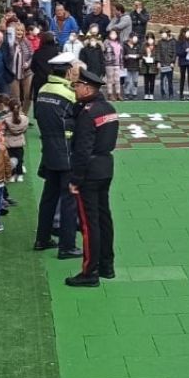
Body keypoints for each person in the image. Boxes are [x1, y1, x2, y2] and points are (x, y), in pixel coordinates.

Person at [64, 69, 118, 287]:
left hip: (89, 172)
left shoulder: (88, 113)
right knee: (104, 218)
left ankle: (89, 271)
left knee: (89, 223)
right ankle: (107, 265)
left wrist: (75, 179)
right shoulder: (108, 108)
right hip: (106, 167)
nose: (75, 89)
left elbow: (82, 150)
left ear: (87, 88)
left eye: (77, 86)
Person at [34, 52, 81, 259]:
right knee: (69, 201)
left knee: (48, 198)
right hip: (67, 153)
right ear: (69, 71)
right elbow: (78, 120)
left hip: (49, 152)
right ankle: (67, 246)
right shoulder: (69, 94)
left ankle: (42, 239)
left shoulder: (43, 89)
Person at [2, 97, 30, 183]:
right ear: (20, 107)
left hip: (8, 143)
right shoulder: (25, 119)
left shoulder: (5, 119)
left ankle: (12, 175)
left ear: (9, 107)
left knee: (10, 160)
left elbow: (2, 131)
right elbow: (25, 129)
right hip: (19, 142)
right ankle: (20, 175)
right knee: (20, 159)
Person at [30, 31, 60, 101]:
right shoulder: (56, 52)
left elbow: (32, 67)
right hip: (52, 81)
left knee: (38, 100)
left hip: (39, 81)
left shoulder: (37, 52)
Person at [10, 24, 35, 111]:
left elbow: (32, 55)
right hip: (13, 72)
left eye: (21, 30)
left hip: (27, 72)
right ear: (14, 31)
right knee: (15, 97)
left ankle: (24, 114)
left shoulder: (27, 42)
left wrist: (28, 63)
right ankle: (16, 115)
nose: (19, 32)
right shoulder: (10, 42)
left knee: (28, 95)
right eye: (18, 30)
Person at [156, 28, 177, 100]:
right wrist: (158, 62)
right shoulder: (160, 42)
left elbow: (174, 53)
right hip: (162, 63)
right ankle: (163, 93)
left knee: (170, 80)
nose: (162, 35)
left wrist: (172, 62)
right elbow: (158, 52)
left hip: (170, 64)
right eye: (161, 33)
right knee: (162, 80)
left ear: (167, 33)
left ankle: (171, 94)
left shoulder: (173, 42)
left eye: (163, 33)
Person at [103, 30, 124, 101]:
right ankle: (110, 94)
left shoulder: (119, 43)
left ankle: (118, 94)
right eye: (112, 33)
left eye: (115, 33)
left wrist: (121, 64)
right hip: (109, 64)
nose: (113, 35)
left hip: (117, 64)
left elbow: (121, 54)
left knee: (117, 80)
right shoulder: (106, 42)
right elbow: (103, 52)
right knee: (110, 80)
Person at [122, 33, 143, 100]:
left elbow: (141, 54)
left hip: (135, 66)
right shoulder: (124, 45)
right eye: (134, 38)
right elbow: (122, 55)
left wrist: (138, 56)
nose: (135, 40)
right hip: (127, 65)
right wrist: (125, 57)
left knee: (135, 81)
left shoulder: (138, 45)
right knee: (127, 81)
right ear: (130, 38)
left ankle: (134, 93)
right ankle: (127, 93)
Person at [141, 34, 160, 100]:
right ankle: (146, 94)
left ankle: (151, 94)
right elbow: (141, 54)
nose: (150, 40)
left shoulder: (156, 46)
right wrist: (144, 57)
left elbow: (158, 55)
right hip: (145, 66)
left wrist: (154, 59)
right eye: (148, 39)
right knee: (146, 81)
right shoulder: (144, 46)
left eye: (151, 39)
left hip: (153, 66)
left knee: (152, 81)